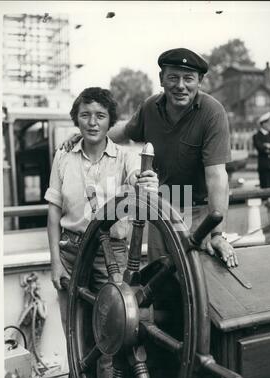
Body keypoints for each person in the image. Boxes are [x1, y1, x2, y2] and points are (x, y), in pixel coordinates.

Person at [62, 48, 238, 268]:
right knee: (159, 282)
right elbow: (125, 131)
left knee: (199, 286)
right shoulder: (150, 107)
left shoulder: (212, 112)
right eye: (173, 77)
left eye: (188, 79)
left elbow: (217, 176)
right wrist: (90, 135)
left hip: (198, 212)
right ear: (162, 79)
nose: (180, 85)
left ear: (200, 81)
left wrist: (217, 234)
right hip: (162, 209)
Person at [45, 87, 158, 378]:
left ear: (110, 121)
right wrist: (55, 262)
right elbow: (53, 212)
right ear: (76, 120)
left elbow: (140, 179)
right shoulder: (63, 155)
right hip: (70, 253)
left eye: (100, 116)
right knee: (75, 330)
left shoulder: (125, 158)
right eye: (85, 115)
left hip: (109, 257)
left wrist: (147, 180)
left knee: (110, 333)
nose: (92, 122)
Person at [253, 112, 270, 188]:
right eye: (269, 122)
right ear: (264, 124)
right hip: (265, 166)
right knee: (265, 188)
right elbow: (260, 147)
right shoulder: (257, 136)